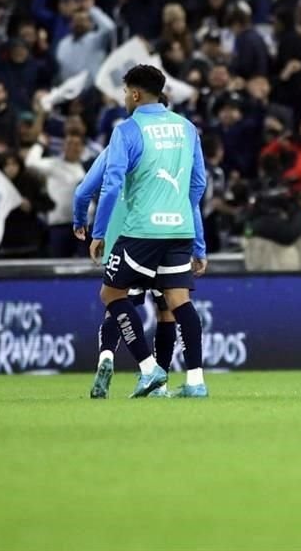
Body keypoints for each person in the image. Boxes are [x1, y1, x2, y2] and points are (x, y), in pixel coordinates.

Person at [86, 65, 208, 399]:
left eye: (126, 91)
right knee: (179, 301)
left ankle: (147, 367)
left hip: (142, 229)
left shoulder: (127, 129)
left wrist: (99, 232)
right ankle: (196, 382)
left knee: (112, 295)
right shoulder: (186, 128)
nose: (124, 97)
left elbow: (111, 186)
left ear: (136, 94)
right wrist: (197, 239)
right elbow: (199, 183)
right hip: (180, 228)